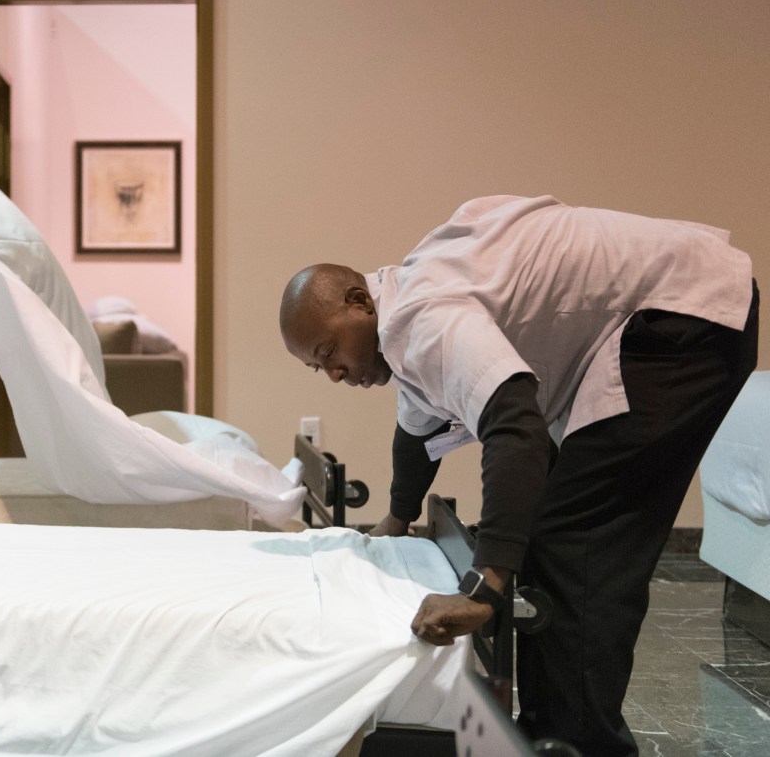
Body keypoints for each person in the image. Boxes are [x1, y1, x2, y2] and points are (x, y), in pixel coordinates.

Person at [279, 195, 758, 757]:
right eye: (319, 366)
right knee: (550, 532)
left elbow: (514, 424)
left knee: (576, 541)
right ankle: (548, 729)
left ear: (360, 300)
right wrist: (395, 519)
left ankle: (577, 744)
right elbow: (417, 434)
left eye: (330, 350)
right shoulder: (402, 308)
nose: (334, 373)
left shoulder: (422, 316)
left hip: (685, 316)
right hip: (673, 307)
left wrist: (485, 587)